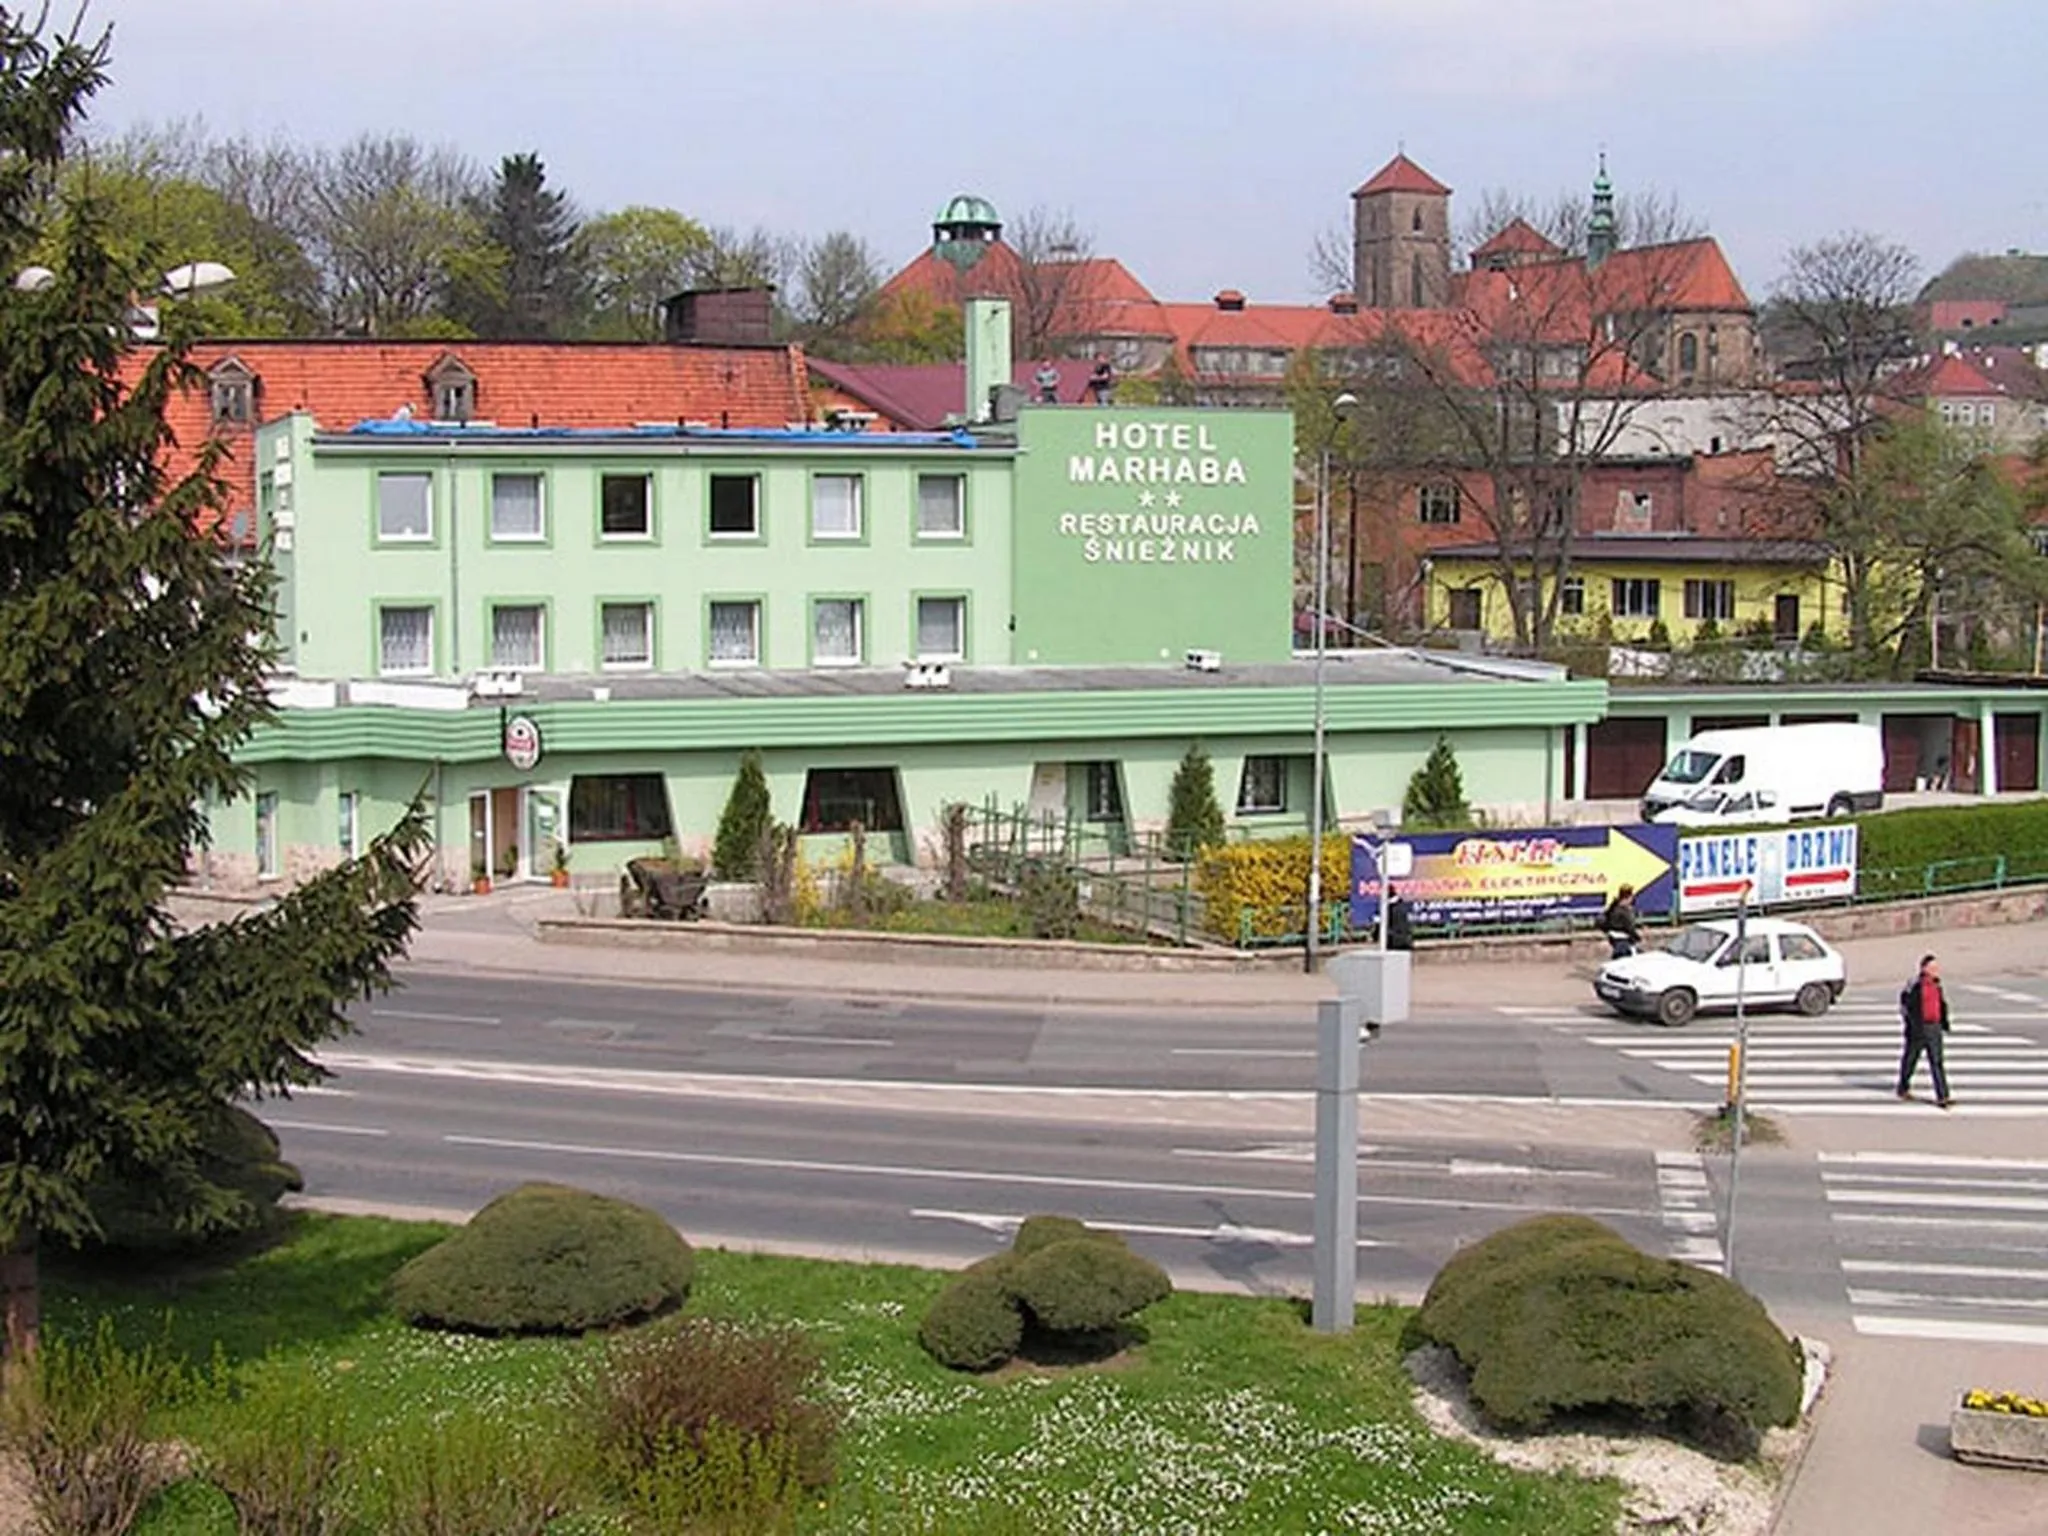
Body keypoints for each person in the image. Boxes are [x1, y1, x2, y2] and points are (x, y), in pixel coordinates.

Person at [1897, 953, 1953, 1108]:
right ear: (1924, 968)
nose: (1936, 970)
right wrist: (1911, 1024)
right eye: (1932, 967)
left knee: (1937, 1061)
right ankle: (1903, 1086)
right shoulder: (1915, 984)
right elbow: (1905, 1005)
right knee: (1911, 1059)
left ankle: (1943, 1096)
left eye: (1936, 967)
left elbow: (1941, 1004)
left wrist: (1944, 1022)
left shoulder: (1936, 984)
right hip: (1918, 1028)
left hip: (1934, 1027)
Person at [1600, 884, 1642, 959]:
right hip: (1622, 940)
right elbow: (1629, 927)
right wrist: (1637, 937)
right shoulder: (1623, 911)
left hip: (1615, 938)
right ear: (1628, 897)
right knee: (1622, 958)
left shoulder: (1614, 907)